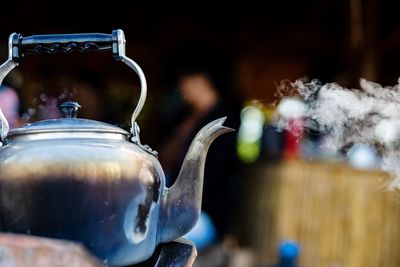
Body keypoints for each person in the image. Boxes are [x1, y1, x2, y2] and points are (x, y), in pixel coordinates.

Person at [158, 47, 241, 248]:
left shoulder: (226, 118)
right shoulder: (183, 115)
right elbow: (162, 160)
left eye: (185, 80)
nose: (182, 87)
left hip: (205, 214)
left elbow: (215, 174)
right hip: (172, 206)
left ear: (201, 79)